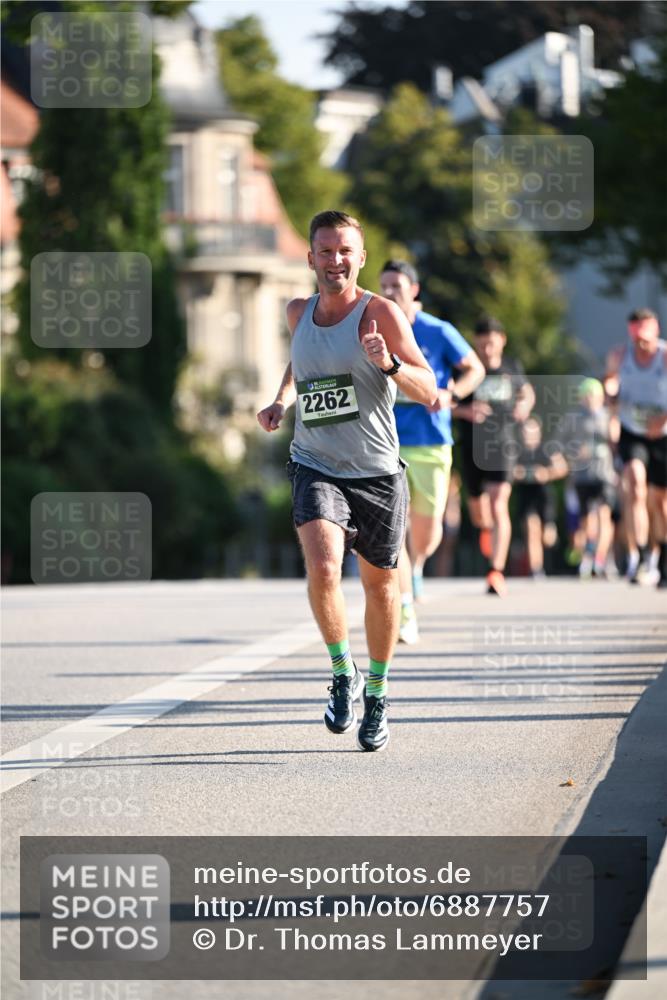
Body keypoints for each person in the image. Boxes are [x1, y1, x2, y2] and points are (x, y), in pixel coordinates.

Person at [257, 211, 437, 751]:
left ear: (360, 258)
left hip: (378, 472)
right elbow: (302, 362)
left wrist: (387, 366)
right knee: (324, 565)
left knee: (382, 585)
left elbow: (429, 390)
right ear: (310, 257)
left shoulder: (380, 313)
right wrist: (281, 400)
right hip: (315, 462)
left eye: (344, 251)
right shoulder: (298, 312)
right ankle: (343, 672)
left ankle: (377, 694)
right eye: (325, 250)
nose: (334, 260)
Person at [379, 260, 484, 643]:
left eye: (397, 286)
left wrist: (450, 392)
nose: (390, 292)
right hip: (387, 440)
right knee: (397, 530)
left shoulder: (437, 331)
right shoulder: (375, 326)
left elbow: (475, 368)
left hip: (433, 442)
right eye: (384, 285)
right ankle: (405, 605)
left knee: (426, 533)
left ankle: (418, 565)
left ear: (414, 290)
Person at [455, 315, 535, 595]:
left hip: (504, 444)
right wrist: (465, 411)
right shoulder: (466, 369)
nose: (487, 350)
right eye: (481, 345)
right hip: (472, 447)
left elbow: (528, 393)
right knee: (480, 514)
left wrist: (524, 406)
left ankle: (495, 571)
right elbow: (446, 402)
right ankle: (488, 533)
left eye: (491, 344)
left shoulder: (512, 367)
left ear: (502, 341)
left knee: (499, 502)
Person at [605, 308, 667, 587]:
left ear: (656, 331)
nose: (641, 344)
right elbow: (610, 382)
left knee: (661, 502)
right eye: (637, 339)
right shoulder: (620, 356)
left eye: (646, 338)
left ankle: (662, 557)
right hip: (633, 430)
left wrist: (662, 419)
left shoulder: (665, 356)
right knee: (636, 484)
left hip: (662, 433)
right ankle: (641, 555)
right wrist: (611, 392)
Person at [569, 378, 618, 579]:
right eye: (585, 396)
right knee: (586, 520)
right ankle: (589, 553)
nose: (589, 400)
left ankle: (600, 558)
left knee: (604, 516)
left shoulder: (609, 417)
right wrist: (574, 451)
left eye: (593, 396)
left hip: (604, 474)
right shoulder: (574, 419)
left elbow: (618, 443)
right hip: (582, 476)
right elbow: (561, 443)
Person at [513, 415, 568, 578]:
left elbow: (562, 468)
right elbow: (507, 471)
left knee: (547, 538)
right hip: (525, 495)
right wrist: (519, 474)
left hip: (544, 496)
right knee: (531, 529)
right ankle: (536, 569)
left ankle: (550, 553)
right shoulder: (517, 451)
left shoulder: (548, 449)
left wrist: (546, 474)